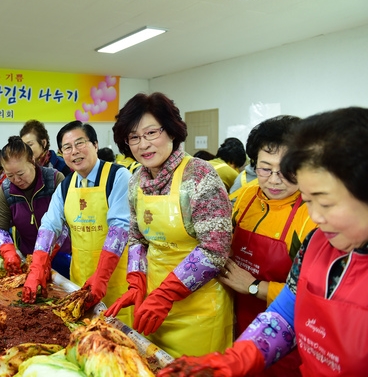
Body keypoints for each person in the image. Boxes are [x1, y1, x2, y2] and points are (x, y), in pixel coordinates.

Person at [158, 106, 368, 377]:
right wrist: (235, 361)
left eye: (326, 202)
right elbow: (286, 315)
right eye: (307, 200)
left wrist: (257, 287)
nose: (316, 216)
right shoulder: (316, 244)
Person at [106, 92, 234, 359]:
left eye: (152, 132)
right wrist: (136, 281)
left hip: (198, 311)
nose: (143, 144)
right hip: (152, 308)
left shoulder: (199, 175)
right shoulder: (136, 180)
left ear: (172, 131)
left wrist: (166, 295)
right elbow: (137, 238)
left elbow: (215, 250)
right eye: (134, 137)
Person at [219, 115, 316, 376]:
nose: (274, 180)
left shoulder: (313, 214)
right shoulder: (245, 196)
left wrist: (253, 286)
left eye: (287, 170)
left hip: (287, 339)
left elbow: (313, 294)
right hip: (234, 321)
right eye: (265, 168)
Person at [22, 121, 133, 326]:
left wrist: (101, 276)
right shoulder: (66, 185)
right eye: (67, 147)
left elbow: (120, 228)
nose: (74, 152)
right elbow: (50, 225)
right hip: (80, 283)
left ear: (95, 145)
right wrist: (38, 265)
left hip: (117, 282)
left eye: (80, 143)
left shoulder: (118, 177)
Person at [0, 136, 71, 277]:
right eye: (10, 175)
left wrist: (45, 255)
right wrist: (9, 252)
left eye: (21, 173)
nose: (16, 180)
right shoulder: (6, 190)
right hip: (28, 258)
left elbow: (67, 222)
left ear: (32, 162)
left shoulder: (54, 180)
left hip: (61, 256)